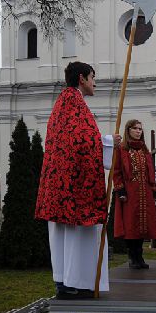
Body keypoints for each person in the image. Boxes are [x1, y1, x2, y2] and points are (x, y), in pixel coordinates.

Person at [35, 61, 120, 299]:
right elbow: (81, 141)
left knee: (66, 237)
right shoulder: (73, 103)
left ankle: (67, 282)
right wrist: (109, 142)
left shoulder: (67, 102)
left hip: (63, 186)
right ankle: (75, 283)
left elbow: (74, 139)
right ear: (81, 78)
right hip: (72, 191)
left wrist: (105, 142)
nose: (95, 82)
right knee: (73, 236)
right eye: (93, 77)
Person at [113, 119, 156, 269]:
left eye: (140, 129)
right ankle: (132, 257)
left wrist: (153, 190)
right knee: (131, 225)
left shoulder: (145, 151)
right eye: (135, 128)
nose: (138, 131)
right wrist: (120, 190)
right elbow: (116, 172)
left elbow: (151, 173)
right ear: (128, 130)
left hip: (145, 192)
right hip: (129, 193)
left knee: (143, 225)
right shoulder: (121, 150)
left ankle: (140, 256)